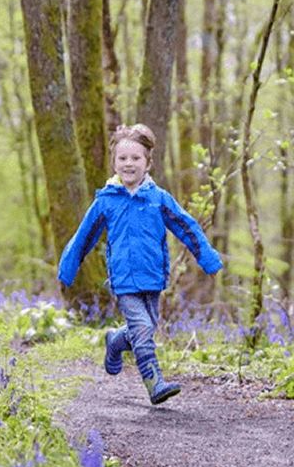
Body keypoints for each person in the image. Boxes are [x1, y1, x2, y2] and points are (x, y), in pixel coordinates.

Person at [57, 124, 222, 405]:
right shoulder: (106, 201)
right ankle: (154, 382)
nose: (129, 163)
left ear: (147, 162)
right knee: (143, 329)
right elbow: (84, 235)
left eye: (135, 158)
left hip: (153, 277)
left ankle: (116, 341)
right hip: (124, 279)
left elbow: (186, 226)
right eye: (122, 158)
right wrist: (68, 267)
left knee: (143, 329)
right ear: (114, 163)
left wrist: (207, 258)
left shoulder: (158, 199)